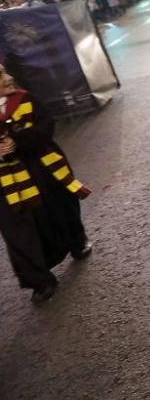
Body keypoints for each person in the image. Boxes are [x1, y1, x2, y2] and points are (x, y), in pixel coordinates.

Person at [0, 64, 92, 302]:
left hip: (42, 167)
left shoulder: (26, 100)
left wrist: (16, 141)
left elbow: (46, 129)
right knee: (17, 230)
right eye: (0, 75)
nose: (9, 77)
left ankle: (76, 241)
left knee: (61, 209)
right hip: (6, 183)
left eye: (5, 72)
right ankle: (39, 280)